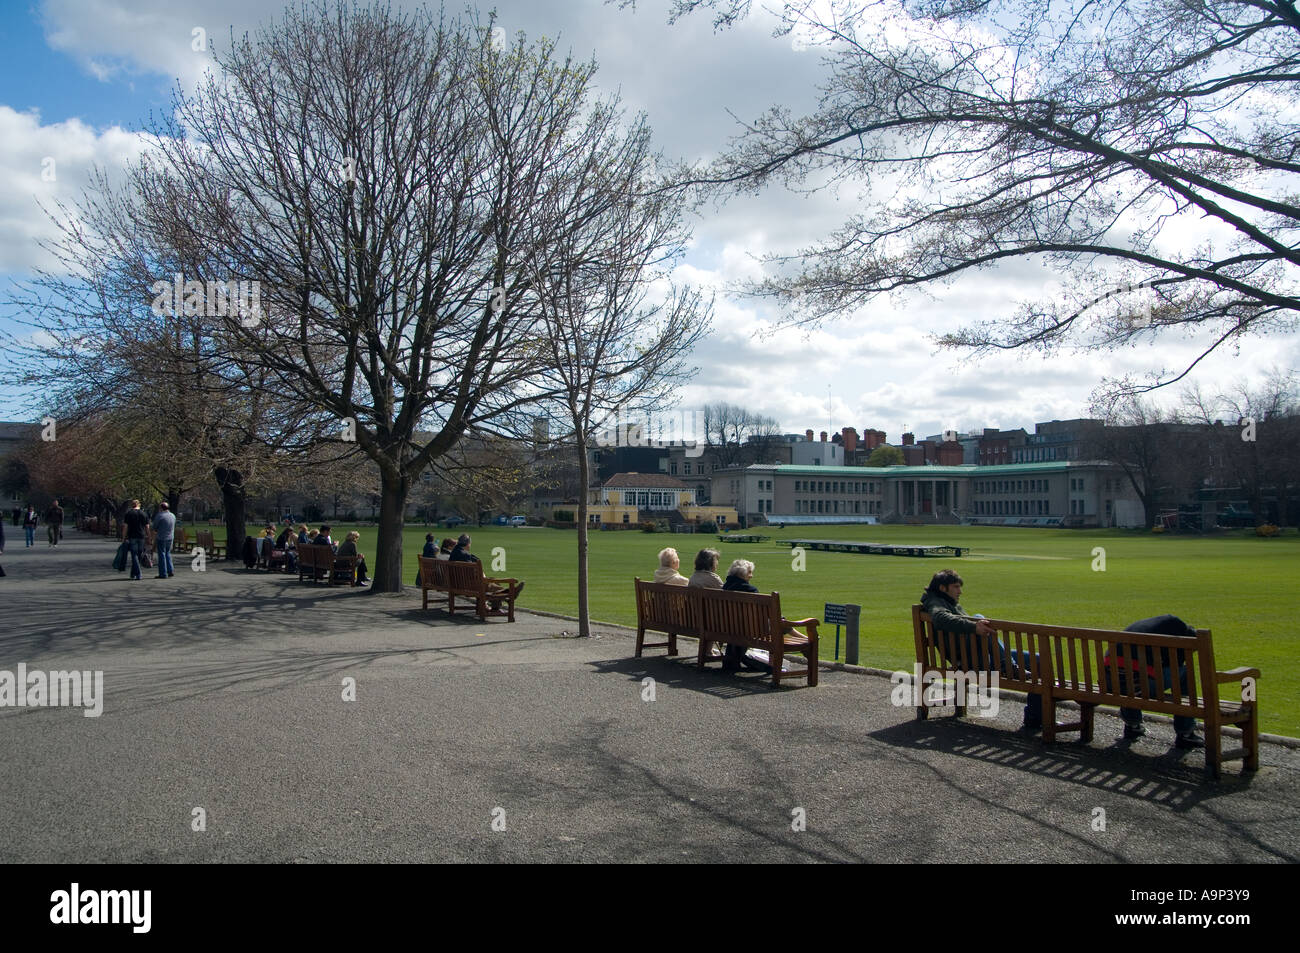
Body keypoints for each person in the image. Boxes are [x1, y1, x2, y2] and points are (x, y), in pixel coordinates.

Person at [920, 569, 1043, 732]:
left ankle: (1033, 717)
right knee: (979, 618)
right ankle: (1007, 666)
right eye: (956, 587)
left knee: (1039, 660)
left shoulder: (945, 602)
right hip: (970, 661)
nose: (960, 591)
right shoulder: (935, 602)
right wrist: (974, 626)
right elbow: (940, 618)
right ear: (943, 588)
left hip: (981, 655)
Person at [1105, 615, 1205, 749]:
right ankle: (1185, 732)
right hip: (1135, 685)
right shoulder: (1176, 629)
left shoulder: (1154, 624)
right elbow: (1175, 666)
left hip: (1110, 683)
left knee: (1131, 675)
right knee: (1184, 673)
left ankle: (1132, 724)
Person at [720, 559, 772, 673]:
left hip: (726, 627)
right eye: (750, 572)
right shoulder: (751, 591)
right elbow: (763, 613)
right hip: (750, 629)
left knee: (739, 627)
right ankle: (773, 666)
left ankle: (731, 661)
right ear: (742, 574)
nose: (751, 576)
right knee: (777, 623)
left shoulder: (724, 588)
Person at [122, 500, 150, 581]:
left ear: (132, 505)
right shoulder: (144, 514)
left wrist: (123, 537)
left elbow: (125, 527)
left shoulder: (129, 513)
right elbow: (147, 527)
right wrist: (149, 537)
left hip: (132, 536)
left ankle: (137, 573)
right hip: (141, 536)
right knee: (139, 554)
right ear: (139, 505)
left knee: (134, 555)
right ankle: (133, 573)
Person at [153, 502, 176, 578]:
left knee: (162, 555)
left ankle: (163, 573)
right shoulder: (172, 515)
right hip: (170, 537)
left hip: (162, 537)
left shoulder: (160, 516)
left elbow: (155, 527)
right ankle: (170, 570)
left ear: (161, 508)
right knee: (168, 553)